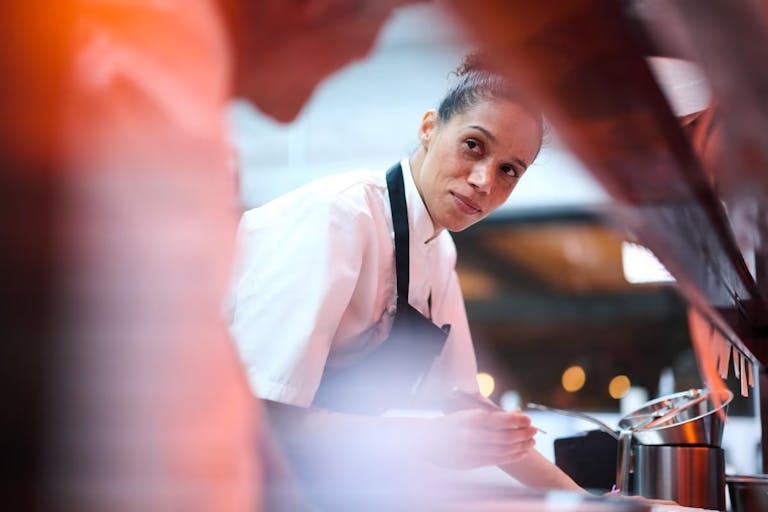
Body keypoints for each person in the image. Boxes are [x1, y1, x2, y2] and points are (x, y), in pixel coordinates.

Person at [228, 54, 582, 502]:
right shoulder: (338, 217)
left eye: (509, 170)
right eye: (474, 145)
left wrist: (594, 501)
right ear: (429, 128)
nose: (483, 181)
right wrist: (428, 440)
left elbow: (467, 408)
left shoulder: (438, 251)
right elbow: (260, 419)